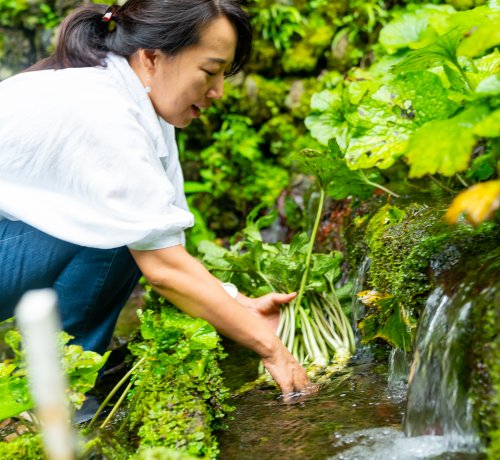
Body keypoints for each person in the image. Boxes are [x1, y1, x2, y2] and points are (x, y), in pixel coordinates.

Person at [0, 0, 312, 397]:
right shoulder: (106, 111)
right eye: (210, 72)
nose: (218, 92)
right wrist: (272, 350)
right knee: (115, 236)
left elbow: (164, 239)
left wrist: (239, 304)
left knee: (123, 232)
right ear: (151, 58)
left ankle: (60, 387)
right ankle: (60, 394)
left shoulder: (141, 106)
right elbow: (163, 267)